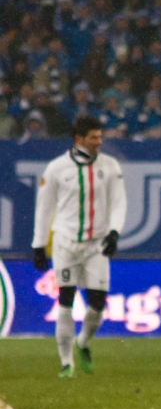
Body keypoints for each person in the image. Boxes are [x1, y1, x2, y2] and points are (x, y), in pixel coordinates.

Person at [32, 116, 126, 378]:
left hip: (96, 244)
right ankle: (66, 364)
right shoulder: (56, 169)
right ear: (79, 139)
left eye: (100, 137)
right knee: (65, 300)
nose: (99, 142)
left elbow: (119, 202)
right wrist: (39, 245)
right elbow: (44, 208)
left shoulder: (110, 166)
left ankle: (82, 342)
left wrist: (114, 232)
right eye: (94, 138)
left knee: (98, 303)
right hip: (66, 243)